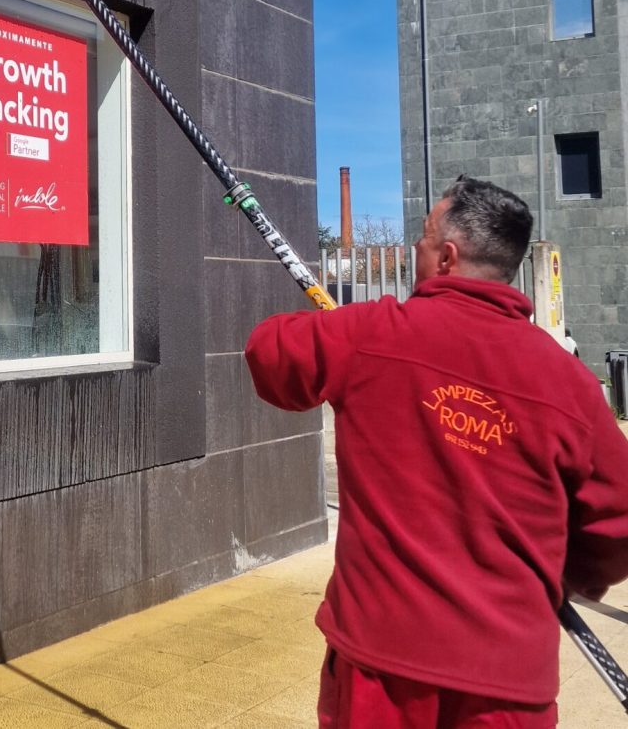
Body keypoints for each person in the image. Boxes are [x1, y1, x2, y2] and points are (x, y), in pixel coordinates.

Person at [244, 176, 628, 728]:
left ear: (446, 256)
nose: (416, 249)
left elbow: (267, 352)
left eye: (423, 238)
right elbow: (617, 522)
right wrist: (568, 574)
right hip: (509, 679)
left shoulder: (370, 335)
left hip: (382, 669)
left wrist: (340, 332)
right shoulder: (570, 383)